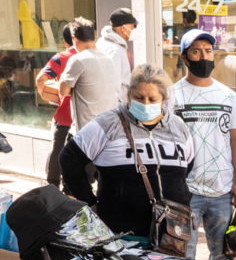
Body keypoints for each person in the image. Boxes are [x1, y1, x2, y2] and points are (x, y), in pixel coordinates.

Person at [60, 64, 194, 239]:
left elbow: (188, 167)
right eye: (139, 97)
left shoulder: (178, 127)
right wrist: (89, 203)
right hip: (122, 233)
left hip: (170, 235)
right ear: (129, 95)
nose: (145, 104)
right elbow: (69, 158)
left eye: (152, 99)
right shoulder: (108, 123)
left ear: (163, 99)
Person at [169, 29, 236, 260]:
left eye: (209, 51)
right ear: (184, 57)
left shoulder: (227, 96)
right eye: (196, 51)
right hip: (185, 192)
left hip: (221, 189)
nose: (204, 56)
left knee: (222, 253)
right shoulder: (171, 96)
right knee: (184, 254)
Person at [59, 17, 118, 130]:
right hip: (110, 127)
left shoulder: (78, 60)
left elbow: (63, 90)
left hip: (88, 131)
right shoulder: (108, 59)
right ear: (94, 37)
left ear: (75, 40)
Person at [36, 23, 76, 187]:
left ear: (66, 41)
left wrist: (45, 95)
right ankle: (71, 189)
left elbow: (40, 79)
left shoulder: (62, 57)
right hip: (87, 116)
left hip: (65, 115)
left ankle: (53, 186)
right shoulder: (92, 56)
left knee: (57, 152)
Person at [97, 7, 138, 103]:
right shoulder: (114, 50)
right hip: (114, 106)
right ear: (123, 28)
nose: (132, 32)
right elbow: (113, 86)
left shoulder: (104, 42)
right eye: (131, 28)